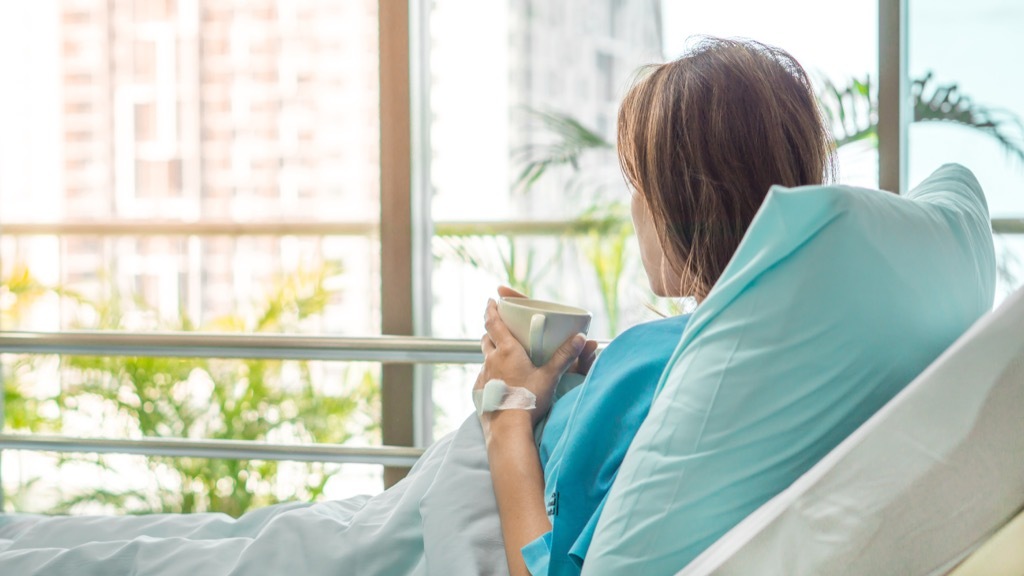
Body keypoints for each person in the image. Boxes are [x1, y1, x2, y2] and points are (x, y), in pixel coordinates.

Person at [475, 37, 835, 576]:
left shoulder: (654, 361)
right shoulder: (810, 352)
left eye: (638, 183)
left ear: (678, 203)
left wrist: (506, 411)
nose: (633, 204)